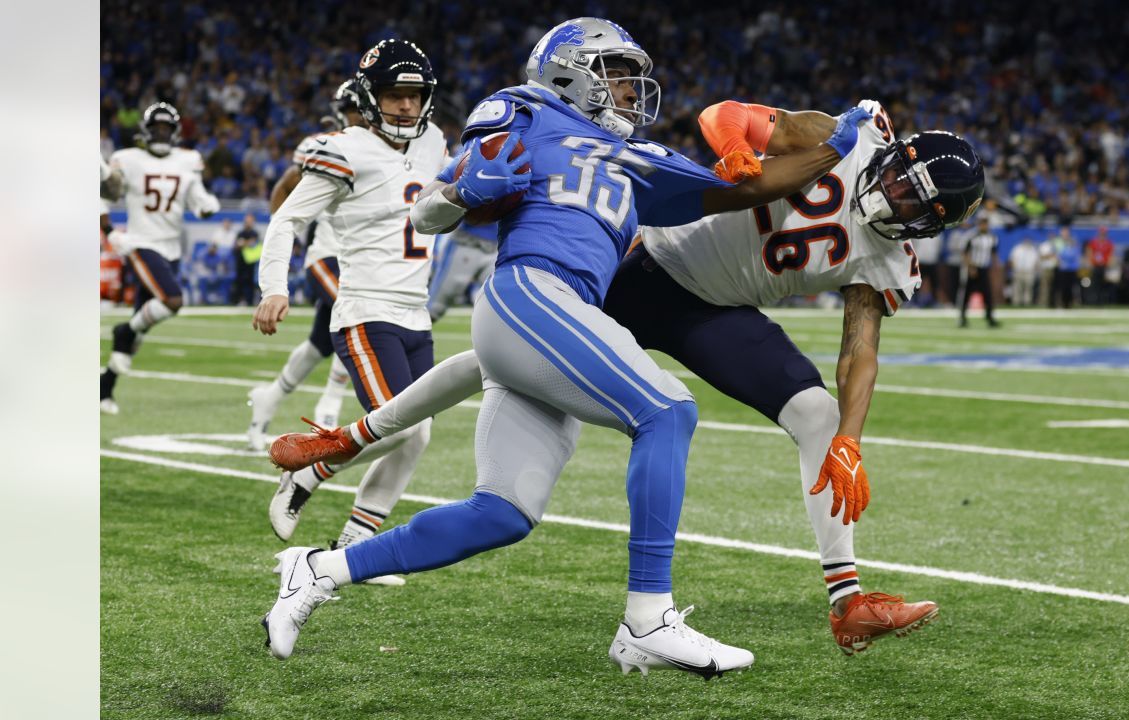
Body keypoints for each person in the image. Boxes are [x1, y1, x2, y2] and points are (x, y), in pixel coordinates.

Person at [260, 17, 866, 677]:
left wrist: (841, 139)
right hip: (529, 292)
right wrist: (463, 194)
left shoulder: (638, 158)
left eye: (634, 80)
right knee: (668, 410)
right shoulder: (526, 110)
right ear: (570, 71)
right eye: (617, 76)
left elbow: (749, 187)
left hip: (551, 318)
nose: (632, 93)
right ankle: (647, 620)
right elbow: (429, 210)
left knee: (502, 512)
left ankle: (319, 570)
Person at [253, 40, 451, 584]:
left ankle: (353, 546)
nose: (407, 107)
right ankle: (308, 474)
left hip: (417, 312)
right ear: (369, 96)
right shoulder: (344, 148)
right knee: (392, 427)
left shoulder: (434, 140)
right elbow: (287, 220)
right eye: (394, 94)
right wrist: (274, 285)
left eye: (415, 95)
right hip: (367, 308)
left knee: (419, 433)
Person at [246, 80, 363, 451]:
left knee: (318, 344)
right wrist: (282, 235)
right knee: (357, 317)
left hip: (362, 261)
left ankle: (270, 397)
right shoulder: (328, 146)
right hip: (329, 255)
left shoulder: (399, 149)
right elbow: (285, 187)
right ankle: (329, 407)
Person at [100, 102, 220, 414]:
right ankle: (122, 331)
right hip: (141, 243)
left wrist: (207, 204)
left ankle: (105, 387)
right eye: (157, 128)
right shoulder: (127, 158)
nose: (162, 133)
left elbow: (197, 199)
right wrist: (110, 230)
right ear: (146, 130)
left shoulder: (188, 160)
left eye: (167, 128)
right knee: (172, 300)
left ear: (176, 132)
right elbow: (106, 193)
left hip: (172, 250)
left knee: (139, 334)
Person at [958, 216, 999, 328]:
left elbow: (994, 254)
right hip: (973, 268)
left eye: (986, 224)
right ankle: (962, 318)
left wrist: (994, 268)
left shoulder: (992, 237)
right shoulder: (971, 236)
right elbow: (965, 253)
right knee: (966, 294)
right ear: (978, 225)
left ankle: (990, 318)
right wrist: (970, 267)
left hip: (984, 268)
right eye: (982, 224)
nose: (984, 226)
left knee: (988, 295)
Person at [232, 214, 261, 306]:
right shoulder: (240, 233)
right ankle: (239, 300)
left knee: (250, 281)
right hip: (240, 260)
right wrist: (246, 243)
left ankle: (250, 301)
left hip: (251, 261)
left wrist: (243, 243)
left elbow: (253, 243)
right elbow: (236, 245)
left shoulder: (255, 233)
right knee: (239, 281)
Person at [1085, 226, 1114, 305]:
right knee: (1094, 283)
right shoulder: (1093, 242)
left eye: (1104, 233)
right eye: (1101, 233)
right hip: (1095, 265)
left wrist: (1108, 264)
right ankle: (1093, 300)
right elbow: (1089, 252)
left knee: (1103, 284)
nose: (1103, 235)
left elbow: (1110, 255)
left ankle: (1101, 301)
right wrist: (1090, 262)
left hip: (1104, 266)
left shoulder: (1108, 243)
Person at [1053, 227, 1081, 308]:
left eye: (1066, 232)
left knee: (1071, 287)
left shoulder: (1073, 243)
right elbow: (1058, 255)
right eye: (1063, 232)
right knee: (1062, 287)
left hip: (1071, 269)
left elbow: (1074, 255)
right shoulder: (1058, 242)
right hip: (1063, 268)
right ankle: (1062, 302)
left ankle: (1070, 303)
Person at [1008, 236, 1039, 306]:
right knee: (1017, 288)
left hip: (1029, 271)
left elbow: (1036, 261)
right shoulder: (1017, 249)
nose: (1026, 242)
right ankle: (1016, 302)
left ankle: (1027, 302)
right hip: (1018, 271)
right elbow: (1012, 259)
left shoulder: (1033, 250)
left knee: (1028, 288)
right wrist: (1014, 268)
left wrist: (1034, 269)